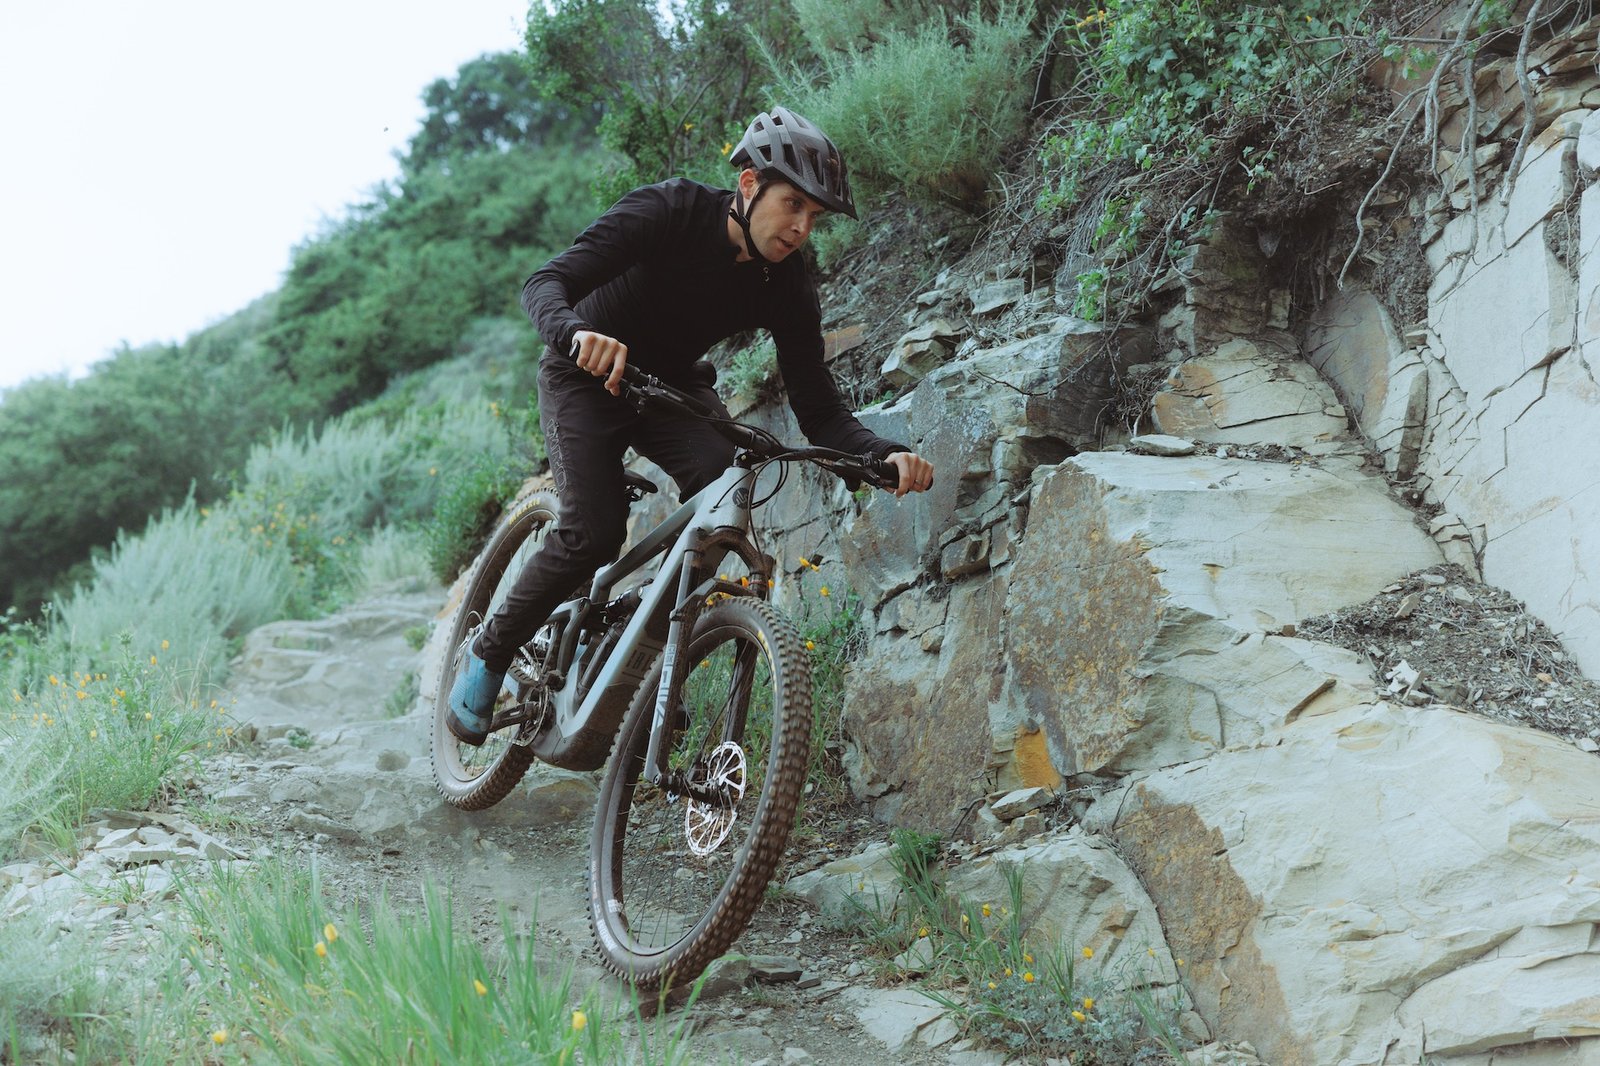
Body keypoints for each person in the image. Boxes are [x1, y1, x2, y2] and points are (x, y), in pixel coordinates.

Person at [446, 106, 935, 745]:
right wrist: (577, 335)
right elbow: (547, 282)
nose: (801, 228)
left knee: (723, 493)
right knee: (594, 531)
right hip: (584, 375)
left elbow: (819, 409)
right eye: (793, 205)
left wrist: (883, 455)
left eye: (814, 216)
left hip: (671, 388)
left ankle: (642, 660)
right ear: (750, 185)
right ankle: (489, 651)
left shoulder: (787, 283)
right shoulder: (670, 210)